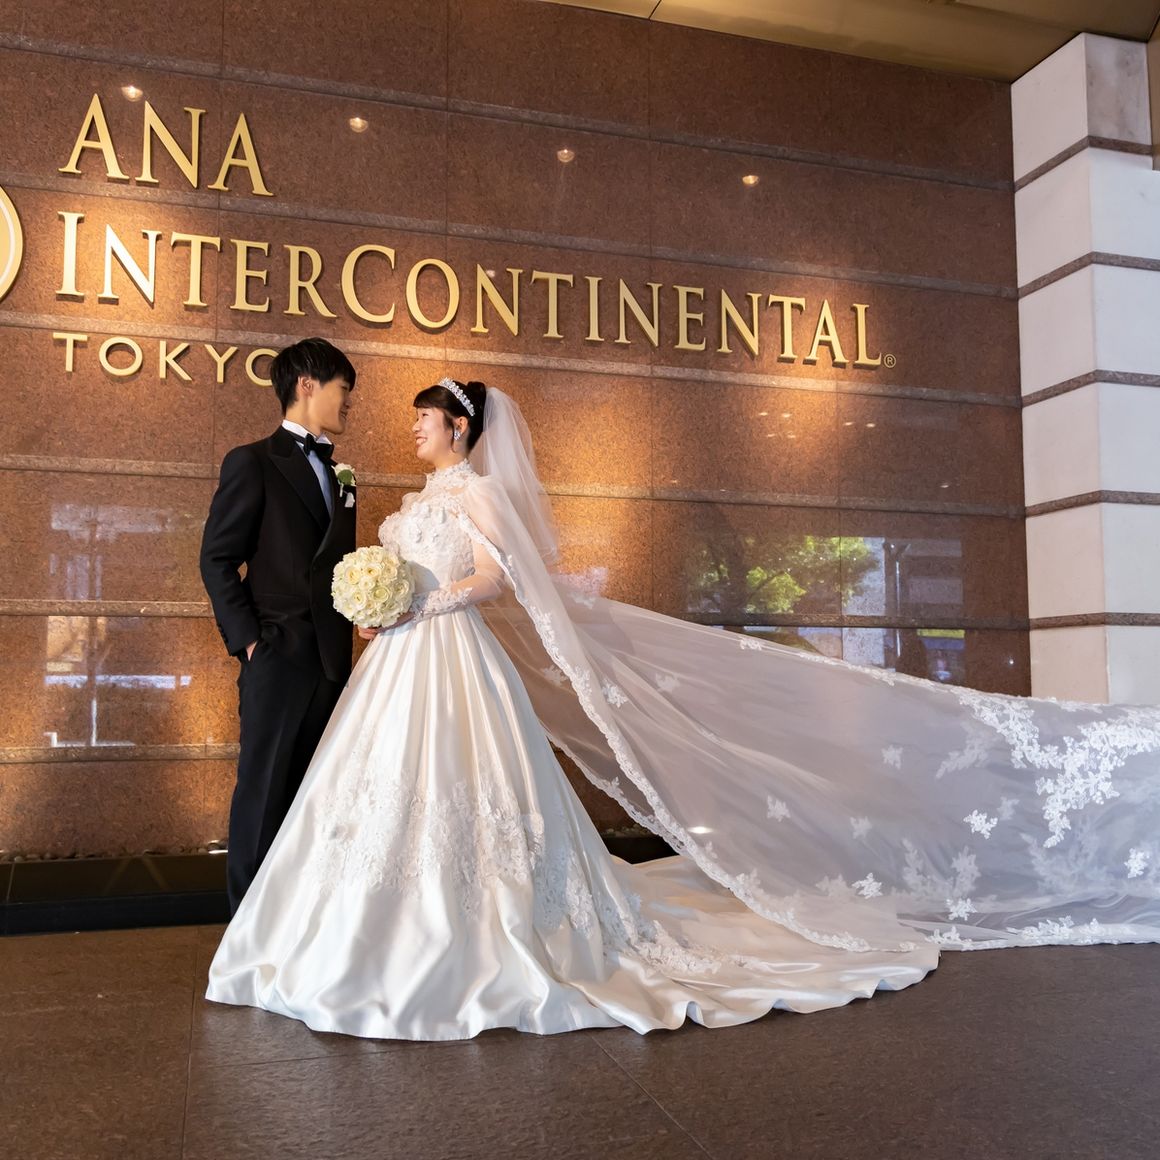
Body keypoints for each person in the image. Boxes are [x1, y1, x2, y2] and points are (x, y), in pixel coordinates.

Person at [207, 377, 1160, 1040]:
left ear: (458, 428)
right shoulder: (416, 497)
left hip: (450, 653)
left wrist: (426, 601)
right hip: (398, 665)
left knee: (474, 793)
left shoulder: (482, 496)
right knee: (372, 793)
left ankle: (475, 927)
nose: (412, 430)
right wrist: (382, 600)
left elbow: (502, 578)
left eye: (424, 420)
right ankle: (357, 924)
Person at [199, 337, 357, 915]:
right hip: (275, 656)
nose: (349, 403)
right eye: (344, 389)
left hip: (332, 663)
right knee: (262, 793)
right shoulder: (253, 461)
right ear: (307, 385)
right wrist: (250, 643)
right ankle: (247, 929)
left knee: (313, 799)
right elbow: (217, 557)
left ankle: (294, 924)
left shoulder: (342, 475)